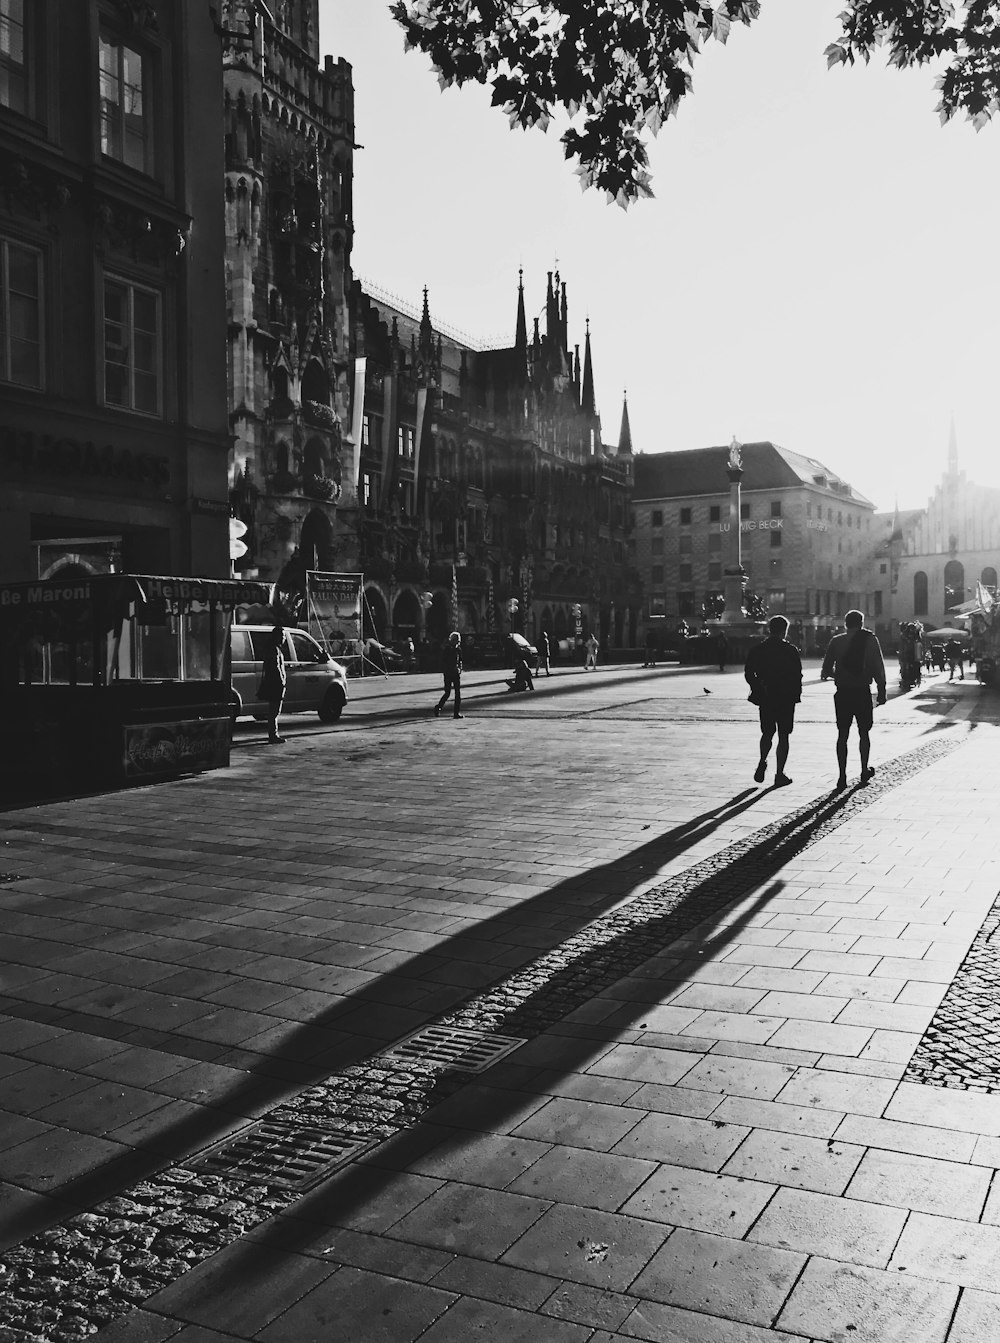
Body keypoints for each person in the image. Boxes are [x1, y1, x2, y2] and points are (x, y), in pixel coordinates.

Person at [821, 609, 887, 790]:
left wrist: (840, 675)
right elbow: (878, 667)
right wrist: (881, 691)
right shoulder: (870, 640)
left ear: (845, 623)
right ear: (862, 623)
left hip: (842, 693)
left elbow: (826, 670)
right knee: (864, 733)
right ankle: (864, 769)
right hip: (862, 692)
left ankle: (842, 776)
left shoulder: (836, 641)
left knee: (842, 735)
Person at [744, 616, 802, 787]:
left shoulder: (758, 649)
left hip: (766, 696)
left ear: (769, 629)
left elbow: (749, 673)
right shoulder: (790, 650)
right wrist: (796, 695)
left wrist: (758, 687)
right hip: (785, 697)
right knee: (784, 735)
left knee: (767, 733)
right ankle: (779, 773)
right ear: (785, 630)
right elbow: (797, 675)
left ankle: (762, 760)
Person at [258, 624, 287, 744]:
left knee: (273, 710)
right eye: (283, 636)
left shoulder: (273, 648)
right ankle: (273, 735)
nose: (284, 638)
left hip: (274, 683)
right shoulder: (274, 649)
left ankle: (273, 733)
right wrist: (281, 682)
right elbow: (275, 668)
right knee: (274, 711)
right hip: (276, 684)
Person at [434, 630, 464, 718]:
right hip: (448, 672)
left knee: (457, 693)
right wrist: (450, 667)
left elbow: (460, 660)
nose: (457, 642)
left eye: (458, 640)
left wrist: (460, 667)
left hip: (455, 673)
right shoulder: (447, 649)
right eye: (456, 640)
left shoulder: (458, 649)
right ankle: (438, 707)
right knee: (447, 693)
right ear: (452, 640)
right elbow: (443, 661)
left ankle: (456, 712)